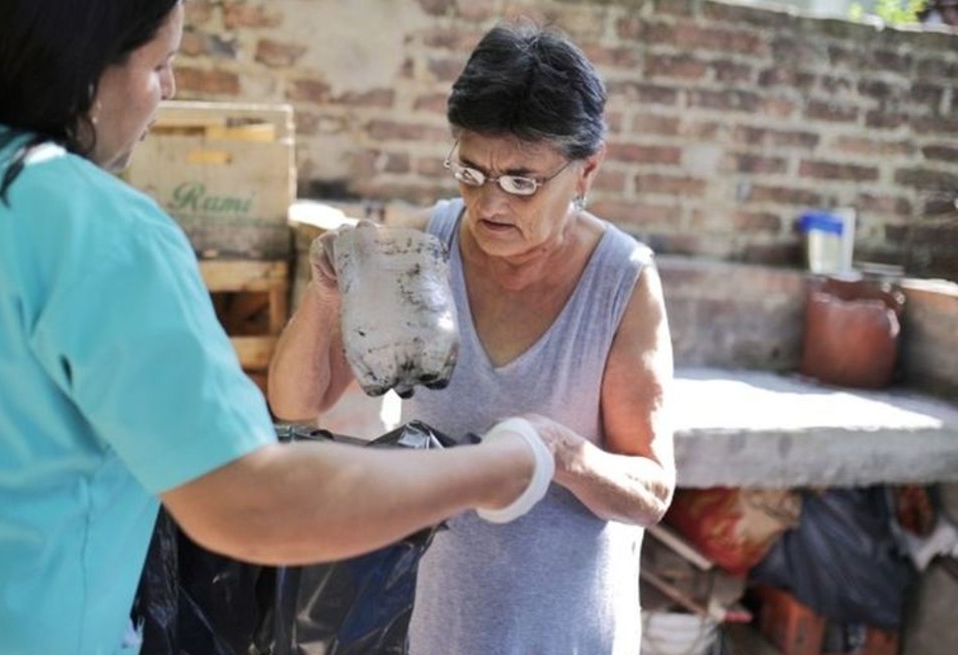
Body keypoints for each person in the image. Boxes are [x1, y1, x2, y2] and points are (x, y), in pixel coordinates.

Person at [0, 2, 549, 654]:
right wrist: (493, 469)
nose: (169, 88)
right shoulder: (98, 230)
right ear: (86, 75)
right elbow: (250, 503)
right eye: (160, 63)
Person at [268, 20, 677, 654]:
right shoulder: (423, 251)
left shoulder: (620, 282)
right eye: (469, 170)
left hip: (563, 636)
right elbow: (297, 402)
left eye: (521, 181)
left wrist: (559, 453)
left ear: (587, 170)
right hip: (427, 625)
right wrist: (325, 300)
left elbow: (651, 491)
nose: (489, 204)